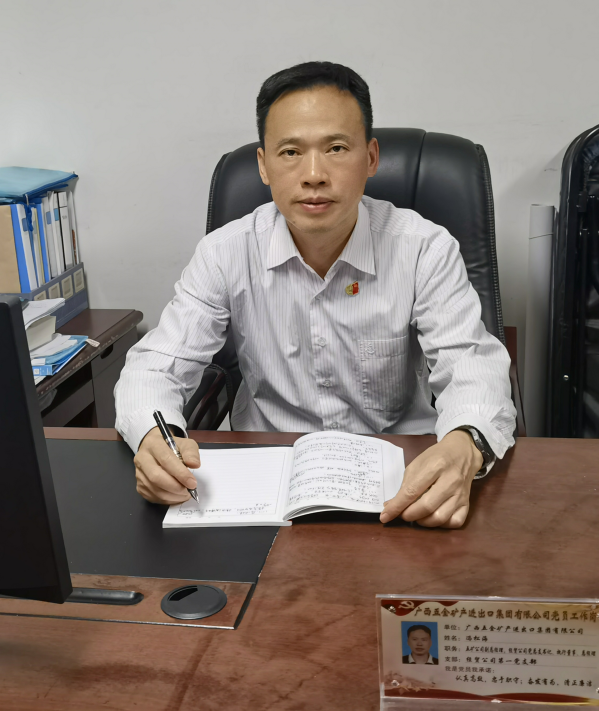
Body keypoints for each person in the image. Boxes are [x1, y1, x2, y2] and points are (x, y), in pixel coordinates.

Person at [115, 61, 516, 528]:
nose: (313, 175)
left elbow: (471, 364)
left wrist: (465, 442)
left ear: (371, 158)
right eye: (290, 152)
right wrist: (155, 436)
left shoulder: (423, 248)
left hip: (398, 476)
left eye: (336, 148)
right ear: (263, 165)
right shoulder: (225, 253)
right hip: (266, 477)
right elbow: (155, 367)